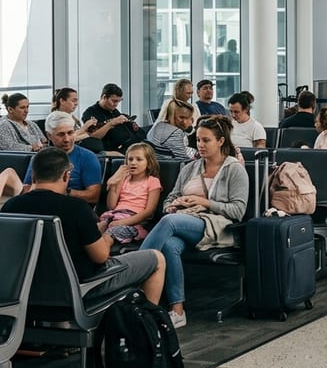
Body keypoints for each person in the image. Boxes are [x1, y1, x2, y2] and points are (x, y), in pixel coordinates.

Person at [2, 148, 166, 303]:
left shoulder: (11, 207)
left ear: (33, 176)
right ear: (66, 176)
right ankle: (151, 318)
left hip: (25, 292)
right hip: (80, 288)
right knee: (157, 259)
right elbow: (100, 256)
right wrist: (106, 236)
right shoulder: (76, 208)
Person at [141, 115, 248, 328]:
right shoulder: (190, 167)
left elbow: (238, 211)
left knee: (169, 222)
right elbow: (171, 196)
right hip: (186, 220)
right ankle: (177, 310)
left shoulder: (234, 169)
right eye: (198, 140)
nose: (200, 145)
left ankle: (133, 274)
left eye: (206, 140)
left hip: (217, 225)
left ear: (221, 141)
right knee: (170, 245)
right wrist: (172, 205)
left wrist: (204, 202)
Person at [21, 111, 104, 205]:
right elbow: (26, 188)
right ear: (49, 135)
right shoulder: (40, 157)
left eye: (70, 133)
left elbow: (93, 196)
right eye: (61, 134)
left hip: (72, 206)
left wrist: (61, 192)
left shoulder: (88, 157)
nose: (67, 139)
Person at [99, 142, 162, 244]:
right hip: (114, 216)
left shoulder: (152, 181)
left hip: (134, 221)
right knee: (95, 229)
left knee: (109, 235)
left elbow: (149, 211)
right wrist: (115, 182)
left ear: (149, 163)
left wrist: (122, 222)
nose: (133, 163)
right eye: (130, 159)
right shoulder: (123, 179)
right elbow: (111, 206)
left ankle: (102, 252)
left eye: (139, 159)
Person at [83, 84, 146, 153]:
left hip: (129, 145)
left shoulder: (113, 111)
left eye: (118, 101)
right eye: (114, 101)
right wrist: (111, 124)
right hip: (112, 150)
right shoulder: (90, 113)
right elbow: (93, 137)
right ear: (104, 97)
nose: (116, 104)